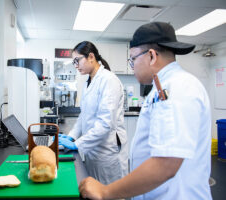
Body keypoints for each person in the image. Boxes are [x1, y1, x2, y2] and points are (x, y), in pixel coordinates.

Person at [79, 22, 212, 200]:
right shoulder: (161, 87)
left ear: (151, 56)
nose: (132, 65)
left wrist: (106, 192)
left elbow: (166, 164)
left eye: (133, 59)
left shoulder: (178, 87)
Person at [58, 41, 128, 185]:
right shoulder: (88, 83)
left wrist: (78, 144)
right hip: (93, 149)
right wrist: (71, 137)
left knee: (110, 192)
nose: (76, 65)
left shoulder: (109, 80)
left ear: (91, 56)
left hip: (108, 151)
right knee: (94, 189)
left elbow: (105, 123)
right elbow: (84, 116)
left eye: (77, 60)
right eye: (74, 62)